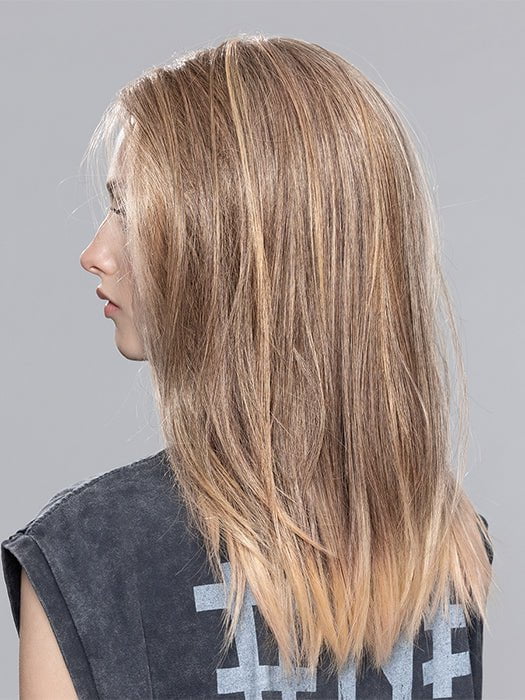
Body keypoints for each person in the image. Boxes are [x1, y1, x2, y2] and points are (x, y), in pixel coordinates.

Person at [2, 34, 494, 699]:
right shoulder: (449, 542)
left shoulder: (89, 561)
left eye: (126, 210)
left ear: (224, 249)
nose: (96, 252)